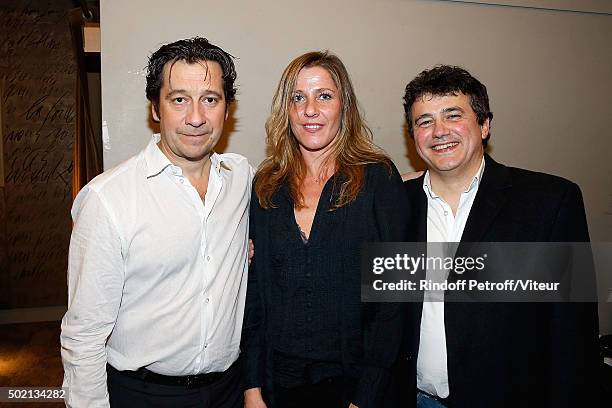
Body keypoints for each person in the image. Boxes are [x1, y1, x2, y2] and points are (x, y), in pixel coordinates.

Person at [60, 37, 252, 408]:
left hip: (229, 391)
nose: (195, 117)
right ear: (155, 108)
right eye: (178, 99)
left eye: (210, 99)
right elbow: (83, 335)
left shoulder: (242, 178)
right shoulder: (108, 199)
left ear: (227, 110)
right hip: (143, 394)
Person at [398, 65, 600, 407]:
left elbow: (572, 335)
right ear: (413, 134)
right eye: (425, 121)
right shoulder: (395, 205)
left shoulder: (548, 202)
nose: (439, 131)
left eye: (452, 115)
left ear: (484, 124)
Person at [242, 51, 410, 408]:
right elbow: (253, 292)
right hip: (277, 386)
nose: (310, 110)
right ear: (286, 110)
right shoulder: (266, 185)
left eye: (324, 96)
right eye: (297, 98)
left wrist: (365, 396)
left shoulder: (378, 178)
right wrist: (252, 388)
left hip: (354, 386)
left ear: (343, 106)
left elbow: (393, 299)